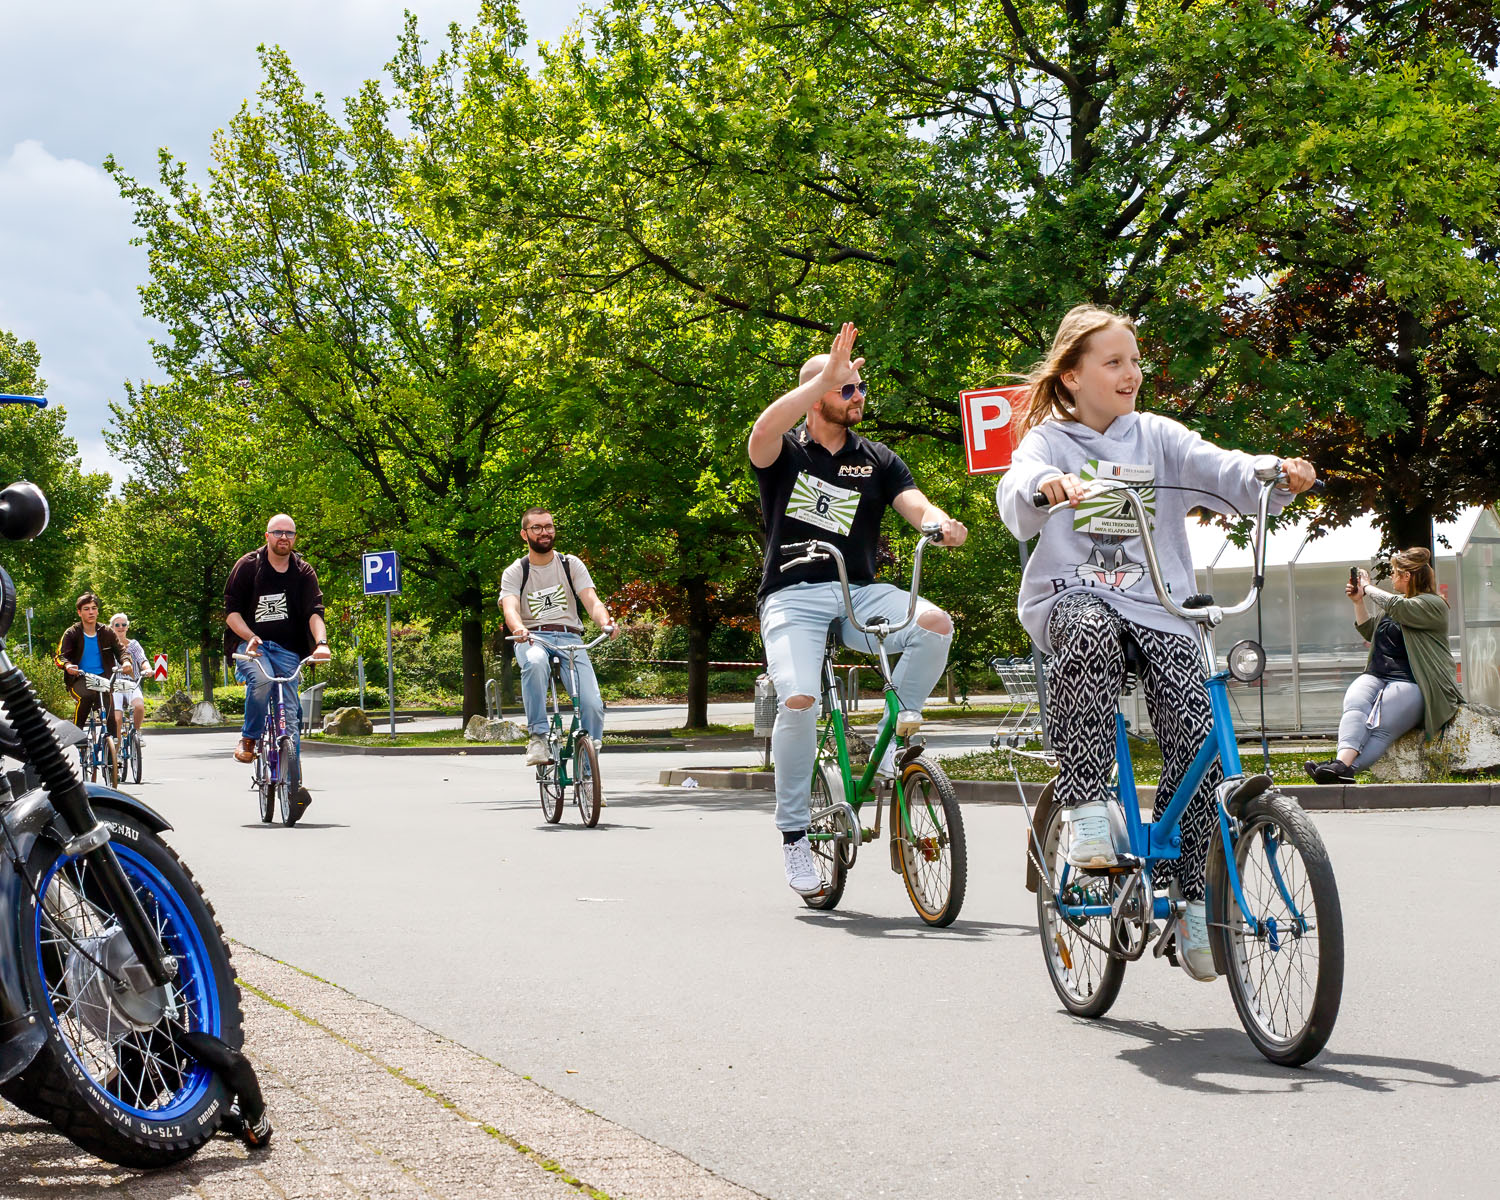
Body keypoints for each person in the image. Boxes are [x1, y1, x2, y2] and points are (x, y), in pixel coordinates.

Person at [996, 304, 1316, 982]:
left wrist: (1272, 472)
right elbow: (1015, 488)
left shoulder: (1158, 436)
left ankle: (1190, 894)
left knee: (1195, 729)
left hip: (1159, 607)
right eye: (1113, 362)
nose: (1131, 373)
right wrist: (1042, 486)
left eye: (1135, 361)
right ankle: (1086, 806)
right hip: (1072, 596)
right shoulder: (1050, 442)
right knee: (1086, 633)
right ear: (1073, 377)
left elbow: (1223, 469)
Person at [750, 322, 968, 899]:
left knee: (934, 625)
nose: (858, 396)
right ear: (817, 394)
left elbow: (913, 501)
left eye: (859, 387)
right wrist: (824, 375)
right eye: (846, 389)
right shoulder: (784, 451)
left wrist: (936, 523)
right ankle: (794, 832)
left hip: (857, 594)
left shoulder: (876, 458)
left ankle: (895, 737)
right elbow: (763, 429)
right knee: (799, 699)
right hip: (793, 596)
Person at [1304, 548, 1464, 783]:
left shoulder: (1433, 604)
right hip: (1377, 674)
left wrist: (1367, 587)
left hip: (1413, 682)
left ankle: (1343, 769)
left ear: (1407, 576)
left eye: (1395, 573)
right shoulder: (1395, 605)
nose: (1392, 577)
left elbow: (1400, 608)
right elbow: (1370, 630)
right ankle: (1340, 765)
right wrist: (1358, 601)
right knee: (1355, 705)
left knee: (1380, 727)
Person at [499, 509, 619, 766]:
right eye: (537, 528)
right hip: (533, 638)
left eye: (549, 526)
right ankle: (538, 737)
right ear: (525, 534)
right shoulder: (516, 571)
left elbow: (591, 601)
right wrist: (519, 629)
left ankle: (589, 772)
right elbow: (510, 608)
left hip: (570, 639)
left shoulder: (570, 564)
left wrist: (605, 621)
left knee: (593, 704)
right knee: (535, 662)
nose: (545, 532)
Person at [224, 515, 331, 782]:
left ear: (295, 539)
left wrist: (322, 644)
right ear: (267, 536)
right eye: (278, 532)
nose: (284, 537)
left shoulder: (303, 571)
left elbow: (315, 612)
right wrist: (250, 636)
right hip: (252, 647)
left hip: (288, 650)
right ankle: (249, 738)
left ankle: (291, 781)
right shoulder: (248, 566)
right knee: (261, 680)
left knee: (291, 713)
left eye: (290, 533)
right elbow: (231, 613)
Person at [54, 592, 123, 741]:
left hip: (104, 680)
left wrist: (127, 662)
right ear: (79, 612)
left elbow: (122, 652)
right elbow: (60, 656)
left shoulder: (107, 632)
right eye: (86, 609)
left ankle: (112, 759)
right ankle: (77, 734)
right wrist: (67, 666)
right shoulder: (72, 633)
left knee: (111, 716)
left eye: (94, 608)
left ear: (97, 611)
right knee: (87, 696)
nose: (91, 612)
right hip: (79, 679)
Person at [108, 612, 149, 734]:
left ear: (127, 627)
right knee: (117, 719)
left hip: (132, 684)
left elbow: (142, 659)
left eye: (123, 624)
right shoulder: (107, 646)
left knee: (139, 706)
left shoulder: (134, 644)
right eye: (117, 625)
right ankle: (117, 746)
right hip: (114, 686)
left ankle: (136, 732)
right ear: (112, 627)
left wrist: (147, 669)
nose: (121, 627)